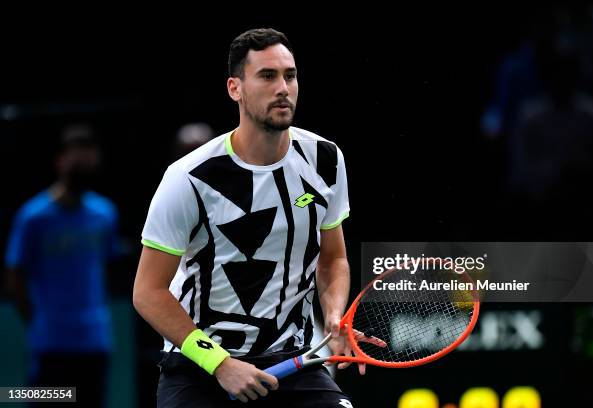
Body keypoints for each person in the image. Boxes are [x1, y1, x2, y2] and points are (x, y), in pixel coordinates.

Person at [133, 28, 367, 407]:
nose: (283, 88)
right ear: (234, 88)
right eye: (267, 76)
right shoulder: (189, 178)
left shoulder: (325, 159)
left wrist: (335, 316)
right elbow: (148, 292)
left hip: (289, 360)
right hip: (198, 367)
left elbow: (333, 258)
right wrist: (221, 364)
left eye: (290, 76)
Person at [4, 123, 119, 407]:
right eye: (76, 158)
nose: (83, 165)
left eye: (88, 158)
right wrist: (37, 320)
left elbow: (108, 267)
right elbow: (14, 274)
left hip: (94, 343)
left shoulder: (105, 214)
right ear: (60, 161)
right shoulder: (33, 217)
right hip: (50, 345)